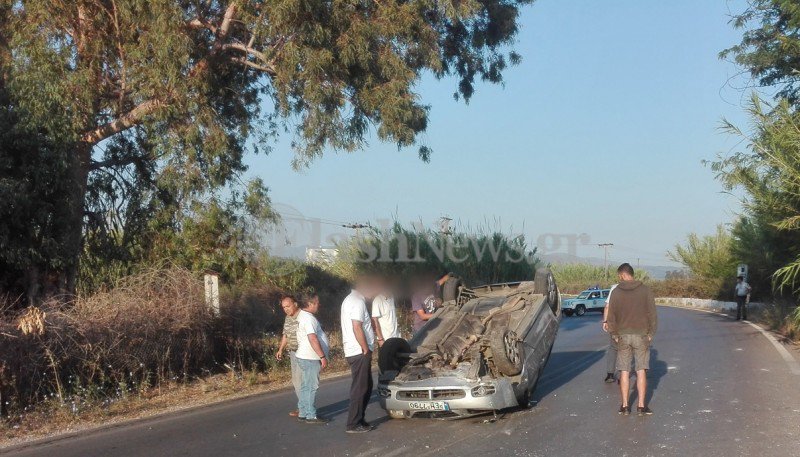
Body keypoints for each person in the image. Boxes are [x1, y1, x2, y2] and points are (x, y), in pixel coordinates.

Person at [607, 263, 657, 416]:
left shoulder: (616, 292)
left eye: (619, 276)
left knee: (624, 371)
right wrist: (650, 333)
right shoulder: (645, 290)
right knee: (641, 370)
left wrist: (614, 335)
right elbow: (652, 314)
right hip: (641, 335)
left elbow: (611, 317)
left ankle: (625, 406)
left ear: (622, 274)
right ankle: (641, 406)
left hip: (622, 336)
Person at [340, 279, 376, 433]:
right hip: (359, 351)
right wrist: (365, 348)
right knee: (360, 388)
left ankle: (359, 419)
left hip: (356, 350)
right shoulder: (357, 302)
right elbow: (357, 327)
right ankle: (353, 424)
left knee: (366, 387)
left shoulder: (352, 300)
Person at [295, 294, 330, 424]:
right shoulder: (309, 319)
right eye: (316, 303)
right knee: (311, 387)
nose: (318, 305)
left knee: (305, 385)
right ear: (309, 304)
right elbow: (312, 338)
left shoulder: (303, 316)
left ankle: (303, 412)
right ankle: (310, 415)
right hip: (310, 357)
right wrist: (322, 356)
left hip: (304, 356)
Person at [276, 295, 302, 417]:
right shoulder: (287, 318)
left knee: (303, 381)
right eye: (283, 307)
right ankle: (302, 406)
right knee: (296, 381)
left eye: (288, 306)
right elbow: (285, 335)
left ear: (295, 304)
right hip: (293, 352)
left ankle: (305, 408)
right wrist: (280, 349)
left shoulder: (303, 316)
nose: (286, 309)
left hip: (303, 353)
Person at [371, 279, 400, 346]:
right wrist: (380, 339)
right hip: (386, 339)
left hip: (396, 336)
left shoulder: (392, 297)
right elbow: (374, 321)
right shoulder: (377, 300)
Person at [602, 284, 618, 383]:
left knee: (613, 348)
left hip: (615, 323)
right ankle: (624, 374)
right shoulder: (637, 287)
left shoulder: (615, 288)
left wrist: (605, 321)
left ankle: (610, 374)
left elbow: (607, 306)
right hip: (631, 324)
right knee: (627, 349)